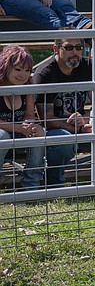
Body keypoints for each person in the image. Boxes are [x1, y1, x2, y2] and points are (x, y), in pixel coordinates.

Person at [33, 36, 94, 186]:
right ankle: (54, 186)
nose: (74, 52)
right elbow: (46, 119)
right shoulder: (45, 74)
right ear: (56, 49)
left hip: (82, 125)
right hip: (56, 129)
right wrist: (75, 126)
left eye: (79, 48)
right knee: (64, 139)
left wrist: (87, 120)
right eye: (68, 48)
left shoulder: (87, 66)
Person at [0, 45, 46, 189]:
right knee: (2, 136)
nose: (23, 75)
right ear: (5, 67)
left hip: (19, 132)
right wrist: (19, 128)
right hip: (6, 132)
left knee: (39, 133)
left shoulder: (28, 86)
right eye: (18, 69)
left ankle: (31, 185)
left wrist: (30, 124)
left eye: (27, 70)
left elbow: (30, 114)